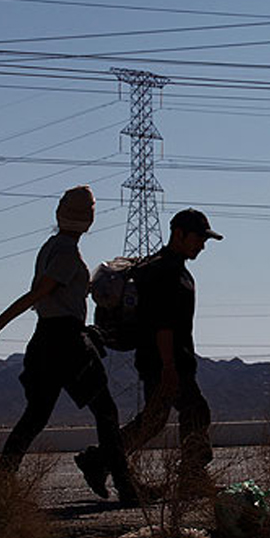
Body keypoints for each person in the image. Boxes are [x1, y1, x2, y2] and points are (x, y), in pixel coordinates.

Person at [0, 186, 136, 503]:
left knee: (36, 415)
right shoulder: (66, 253)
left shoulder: (51, 246)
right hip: (66, 342)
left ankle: (1, 482)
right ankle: (126, 488)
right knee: (106, 412)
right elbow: (40, 293)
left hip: (45, 340)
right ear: (89, 219)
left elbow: (46, 295)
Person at [75, 208, 222, 498]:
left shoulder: (168, 269)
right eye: (198, 238)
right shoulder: (164, 272)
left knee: (154, 420)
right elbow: (162, 325)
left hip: (165, 360)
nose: (202, 245)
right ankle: (192, 478)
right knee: (195, 410)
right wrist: (168, 366)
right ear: (178, 234)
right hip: (165, 360)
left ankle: (99, 459)